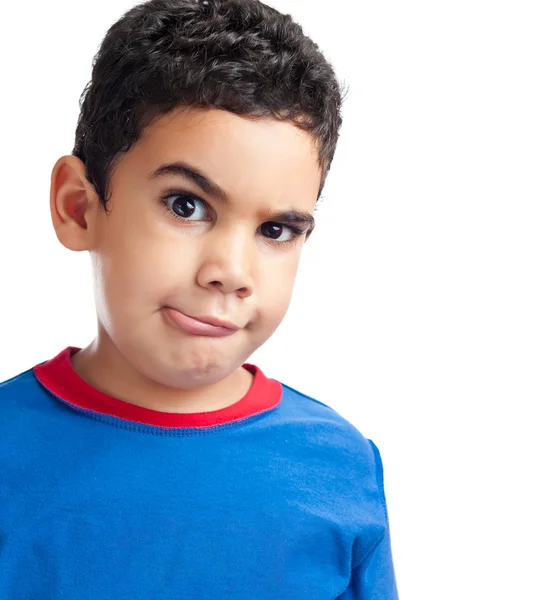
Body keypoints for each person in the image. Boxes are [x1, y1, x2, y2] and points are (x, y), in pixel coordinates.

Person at [0, 0, 398, 597]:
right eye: (186, 206)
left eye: (276, 230)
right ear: (78, 207)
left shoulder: (340, 466)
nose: (231, 272)